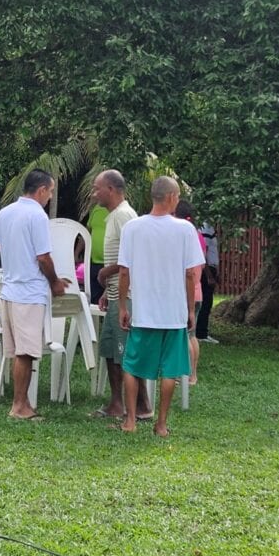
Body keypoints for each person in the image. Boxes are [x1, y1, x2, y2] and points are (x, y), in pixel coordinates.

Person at [117, 177, 205, 437]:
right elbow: (190, 274)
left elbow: (124, 272)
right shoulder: (185, 230)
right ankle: (162, 424)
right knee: (170, 370)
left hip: (144, 311)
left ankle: (130, 420)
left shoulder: (133, 227)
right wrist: (190, 310)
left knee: (132, 366)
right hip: (173, 313)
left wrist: (122, 306)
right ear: (171, 197)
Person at [0, 169, 70, 420]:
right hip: (29, 291)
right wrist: (55, 282)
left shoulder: (6, 212)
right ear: (42, 190)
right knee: (25, 353)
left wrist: (15, 243)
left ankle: (22, 403)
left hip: (9, 290)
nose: (51, 196)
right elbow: (43, 257)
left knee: (18, 351)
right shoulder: (37, 215)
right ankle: (19, 406)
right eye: (51, 191)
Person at [90, 170, 152, 420]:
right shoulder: (114, 216)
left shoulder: (124, 216)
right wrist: (108, 289)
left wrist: (107, 271)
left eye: (97, 188)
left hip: (127, 297)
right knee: (110, 351)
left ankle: (142, 406)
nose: (94, 194)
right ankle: (116, 404)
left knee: (126, 353)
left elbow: (136, 255)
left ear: (111, 190)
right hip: (115, 294)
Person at [173, 199, 205, 385]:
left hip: (188, 293)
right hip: (198, 292)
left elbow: (189, 272)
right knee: (192, 335)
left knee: (183, 335)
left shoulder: (185, 234)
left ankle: (185, 374)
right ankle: (193, 374)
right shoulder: (197, 234)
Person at [195, 221, 219, 343]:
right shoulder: (206, 227)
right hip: (206, 269)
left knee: (207, 302)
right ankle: (201, 333)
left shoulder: (210, 227)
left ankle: (201, 331)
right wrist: (209, 275)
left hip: (210, 267)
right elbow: (204, 251)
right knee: (206, 302)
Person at [86, 203, 109, 304]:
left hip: (110, 265)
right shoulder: (96, 209)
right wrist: (77, 253)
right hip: (94, 262)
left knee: (107, 300)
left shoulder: (119, 213)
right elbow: (87, 232)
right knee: (93, 300)